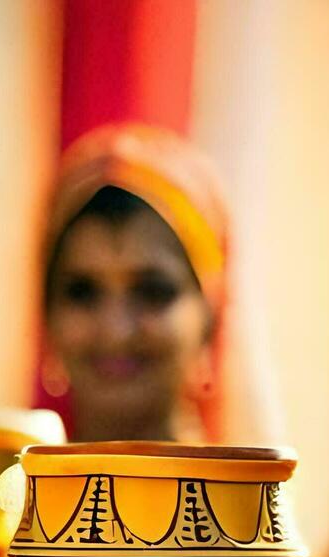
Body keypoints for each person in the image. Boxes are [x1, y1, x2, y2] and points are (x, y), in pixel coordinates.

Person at [39, 124, 230, 443]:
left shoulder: (250, 494)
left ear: (211, 315)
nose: (116, 330)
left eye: (153, 291)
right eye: (83, 292)